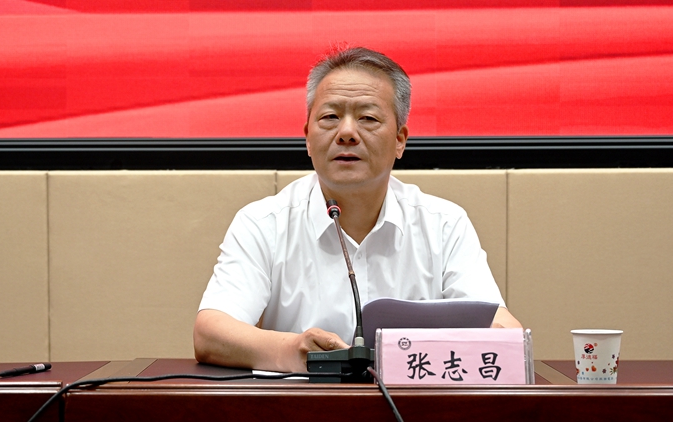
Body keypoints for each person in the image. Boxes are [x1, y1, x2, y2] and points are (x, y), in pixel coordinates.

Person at [194, 47, 521, 373]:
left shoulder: (444, 225)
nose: (347, 133)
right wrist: (292, 351)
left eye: (368, 118)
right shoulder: (263, 223)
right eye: (330, 117)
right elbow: (211, 333)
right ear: (307, 137)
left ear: (400, 139)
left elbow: (504, 331)